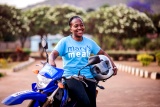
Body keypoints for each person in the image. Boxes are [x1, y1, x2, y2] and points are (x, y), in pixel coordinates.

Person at [49, 15, 117, 107]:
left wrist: (113, 66)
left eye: (81, 25)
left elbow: (103, 53)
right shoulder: (64, 42)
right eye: (76, 26)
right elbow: (53, 54)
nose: (79, 28)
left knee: (92, 105)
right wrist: (51, 61)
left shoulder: (89, 42)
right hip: (71, 77)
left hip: (88, 77)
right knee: (85, 103)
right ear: (71, 29)